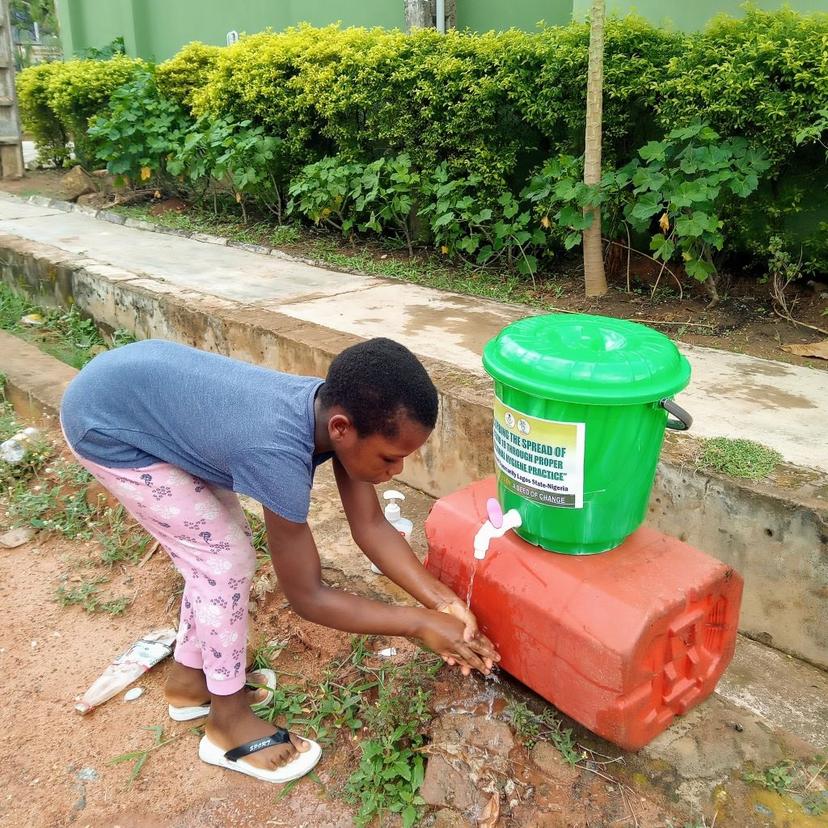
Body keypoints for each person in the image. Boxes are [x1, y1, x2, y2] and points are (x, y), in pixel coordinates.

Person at [60, 337, 499, 784]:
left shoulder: (331, 412)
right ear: (343, 429)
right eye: (391, 457)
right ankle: (227, 723)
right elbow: (306, 596)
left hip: (140, 395)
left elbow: (370, 527)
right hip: (107, 425)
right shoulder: (277, 454)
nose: (397, 471)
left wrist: (442, 603)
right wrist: (417, 623)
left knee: (219, 552)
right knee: (223, 559)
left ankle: (192, 682)